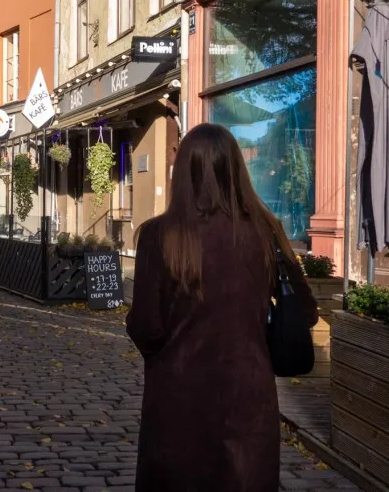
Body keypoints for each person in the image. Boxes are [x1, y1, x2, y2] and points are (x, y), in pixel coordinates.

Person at [126, 123, 318, 492]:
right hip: (247, 396)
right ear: (235, 169)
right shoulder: (267, 231)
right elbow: (305, 311)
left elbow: (147, 328)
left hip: (178, 397)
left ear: (182, 171)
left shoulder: (159, 235)